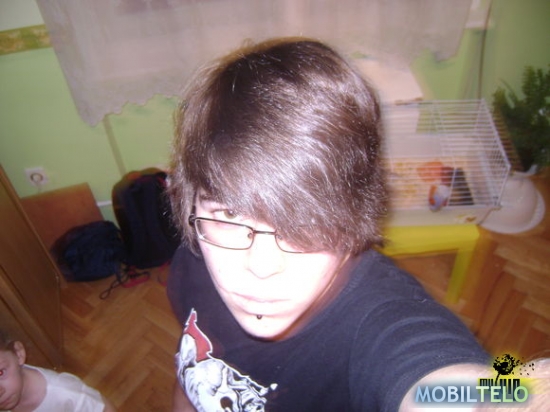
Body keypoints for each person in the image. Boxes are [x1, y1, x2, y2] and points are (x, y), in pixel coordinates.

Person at [166, 37, 493, 412]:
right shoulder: (194, 259)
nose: (260, 266)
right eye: (230, 214)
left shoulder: (378, 325)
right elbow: (191, 369)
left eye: (305, 220)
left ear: (357, 211)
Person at [0, 329, 115, 412]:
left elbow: (104, 408)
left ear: (18, 354)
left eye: (0, 372)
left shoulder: (66, 392)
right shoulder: (9, 394)